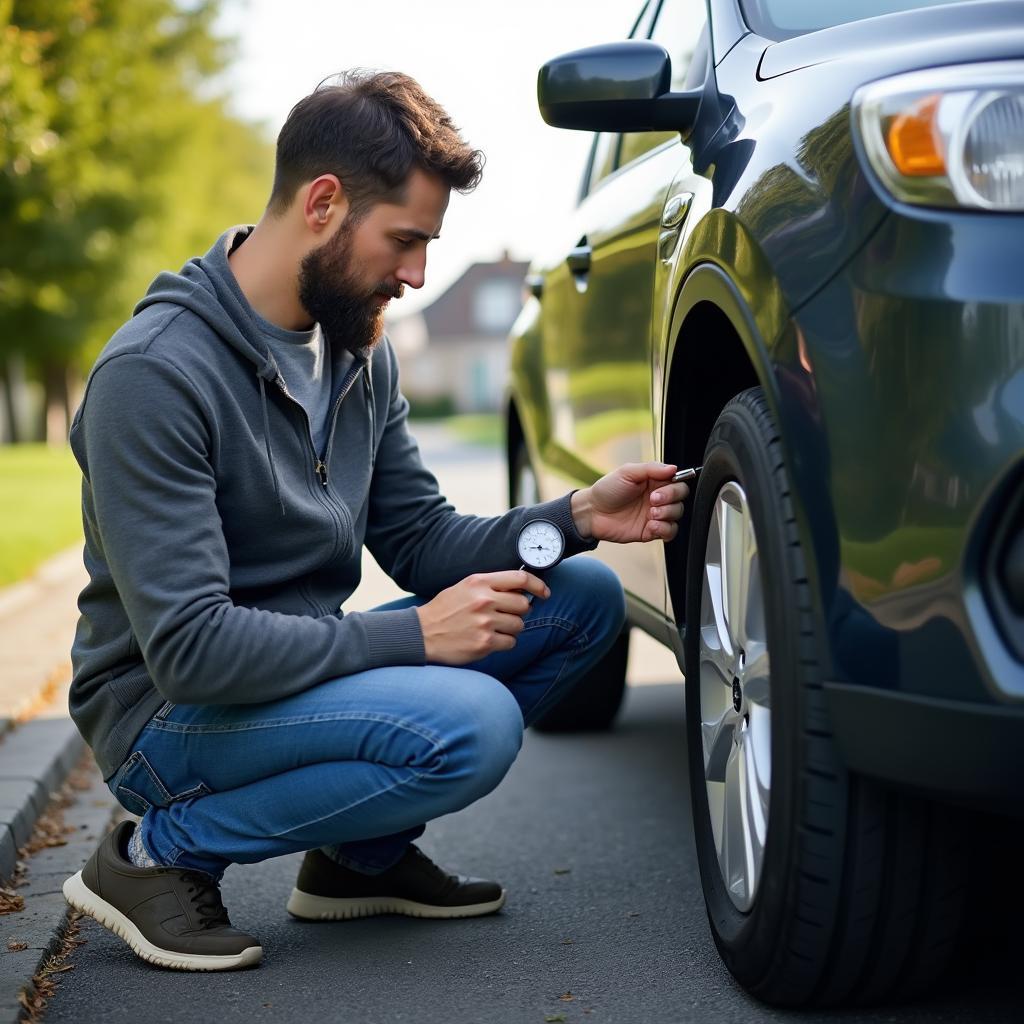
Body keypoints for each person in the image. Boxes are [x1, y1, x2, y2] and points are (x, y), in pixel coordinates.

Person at [61, 70, 689, 971]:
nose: (418, 274)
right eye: (404, 241)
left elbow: (422, 540)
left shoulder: (355, 349)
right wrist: (416, 642)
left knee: (579, 598)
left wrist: (580, 515)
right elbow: (193, 649)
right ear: (323, 203)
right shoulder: (155, 375)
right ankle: (158, 854)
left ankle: (358, 860)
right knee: (470, 725)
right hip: (169, 715)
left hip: (295, 672)